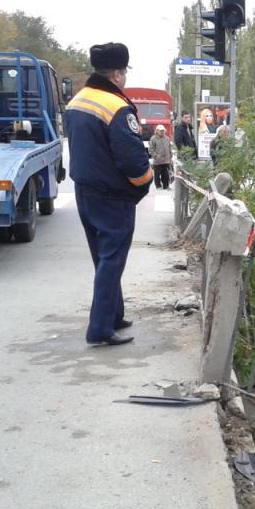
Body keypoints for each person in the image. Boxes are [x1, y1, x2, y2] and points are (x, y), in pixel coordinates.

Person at [65, 42, 152, 347]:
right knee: (112, 260)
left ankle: (114, 314)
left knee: (102, 258)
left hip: (85, 191)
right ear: (117, 73)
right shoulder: (116, 106)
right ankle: (100, 328)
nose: (125, 76)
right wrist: (145, 182)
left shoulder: (78, 100)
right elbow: (131, 158)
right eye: (125, 71)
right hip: (112, 197)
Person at [148, 125, 172, 189]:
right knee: (157, 175)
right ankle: (158, 186)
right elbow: (150, 149)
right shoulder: (153, 138)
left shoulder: (167, 138)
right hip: (157, 161)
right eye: (160, 130)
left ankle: (166, 186)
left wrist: (170, 157)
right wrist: (156, 156)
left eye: (163, 130)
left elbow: (169, 148)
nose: (162, 132)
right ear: (157, 131)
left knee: (166, 175)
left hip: (166, 160)